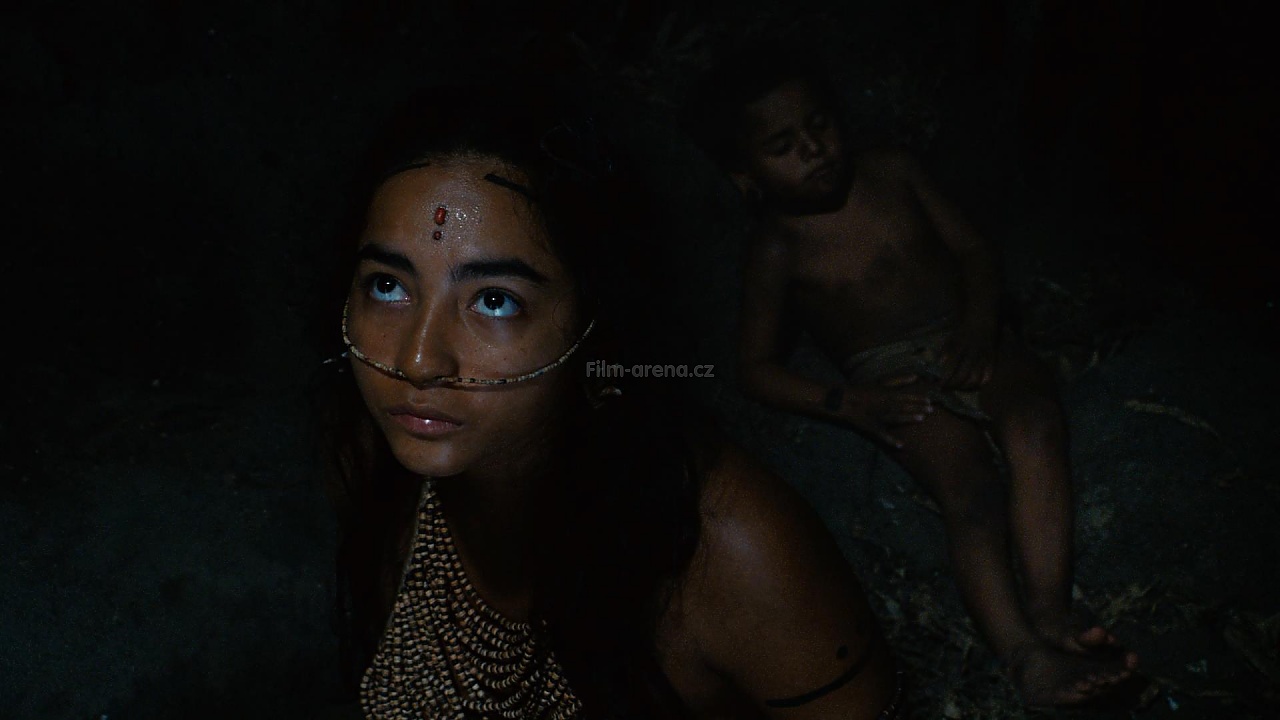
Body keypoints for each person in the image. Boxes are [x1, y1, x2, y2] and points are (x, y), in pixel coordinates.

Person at [318, 81, 903, 719]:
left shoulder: (735, 552)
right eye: (387, 286)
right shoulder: (372, 455)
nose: (417, 361)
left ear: (598, 327)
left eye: (494, 300)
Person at [683, 51, 1140, 708]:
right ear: (744, 175)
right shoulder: (777, 249)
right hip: (888, 374)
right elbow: (754, 370)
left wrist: (980, 324)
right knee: (969, 491)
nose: (813, 149)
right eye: (782, 146)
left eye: (819, 124)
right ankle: (1024, 656)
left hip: (966, 334)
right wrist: (850, 403)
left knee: (1035, 426)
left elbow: (973, 250)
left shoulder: (894, 173)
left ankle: (1049, 608)